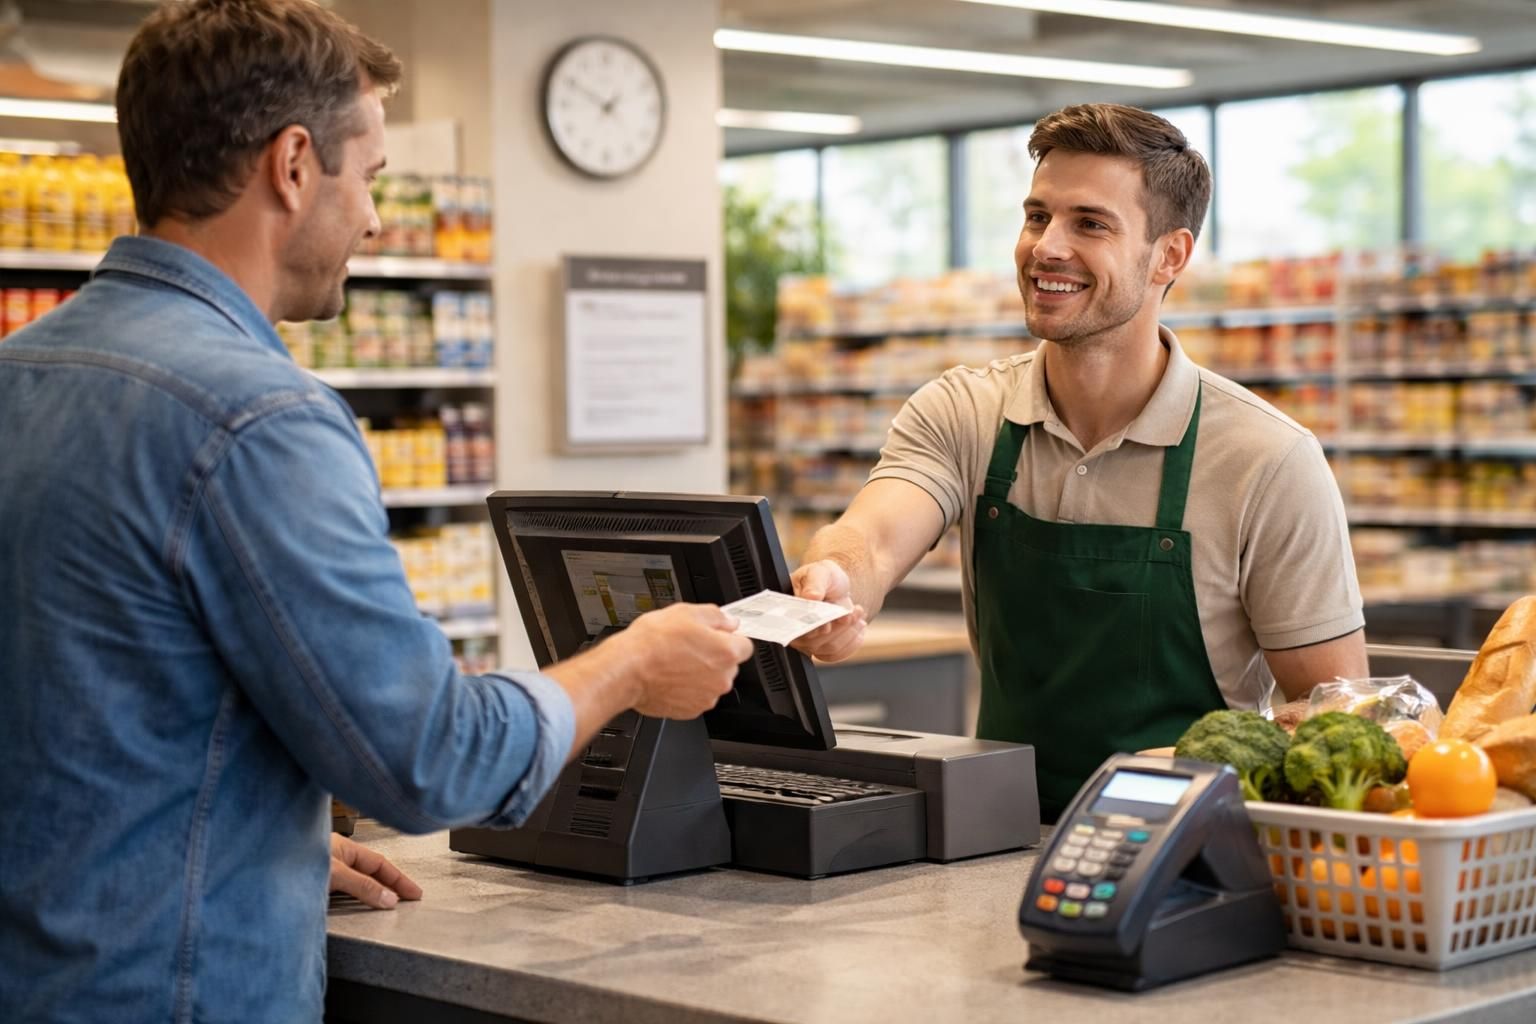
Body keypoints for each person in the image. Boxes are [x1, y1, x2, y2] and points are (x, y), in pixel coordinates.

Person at [0, 2, 753, 1021]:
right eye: (370, 178)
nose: (374, 219)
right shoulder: (259, 418)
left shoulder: (22, 373)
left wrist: (253, 835)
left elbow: (88, 713)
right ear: (295, 165)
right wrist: (632, 661)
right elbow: (427, 757)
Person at [792, 103, 1366, 820]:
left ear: (1171, 256)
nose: (1046, 247)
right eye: (1038, 217)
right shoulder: (964, 411)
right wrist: (835, 582)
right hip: (991, 834)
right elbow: (872, 536)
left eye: (1089, 224)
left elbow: (1335, 720)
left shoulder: (1267, 459)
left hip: (1187, 853)